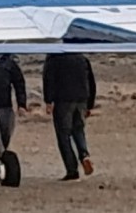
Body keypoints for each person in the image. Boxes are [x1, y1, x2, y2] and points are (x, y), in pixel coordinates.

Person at [43, 53, 96, 181]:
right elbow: (91, 81)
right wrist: (90, 104)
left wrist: (48, 101)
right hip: (82, 98)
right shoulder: (82, 58)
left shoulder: (53, 58)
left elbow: (49, 79)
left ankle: (72, 170)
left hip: (63, 100)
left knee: (64, 135)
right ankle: (84, 155)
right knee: (78, 130)